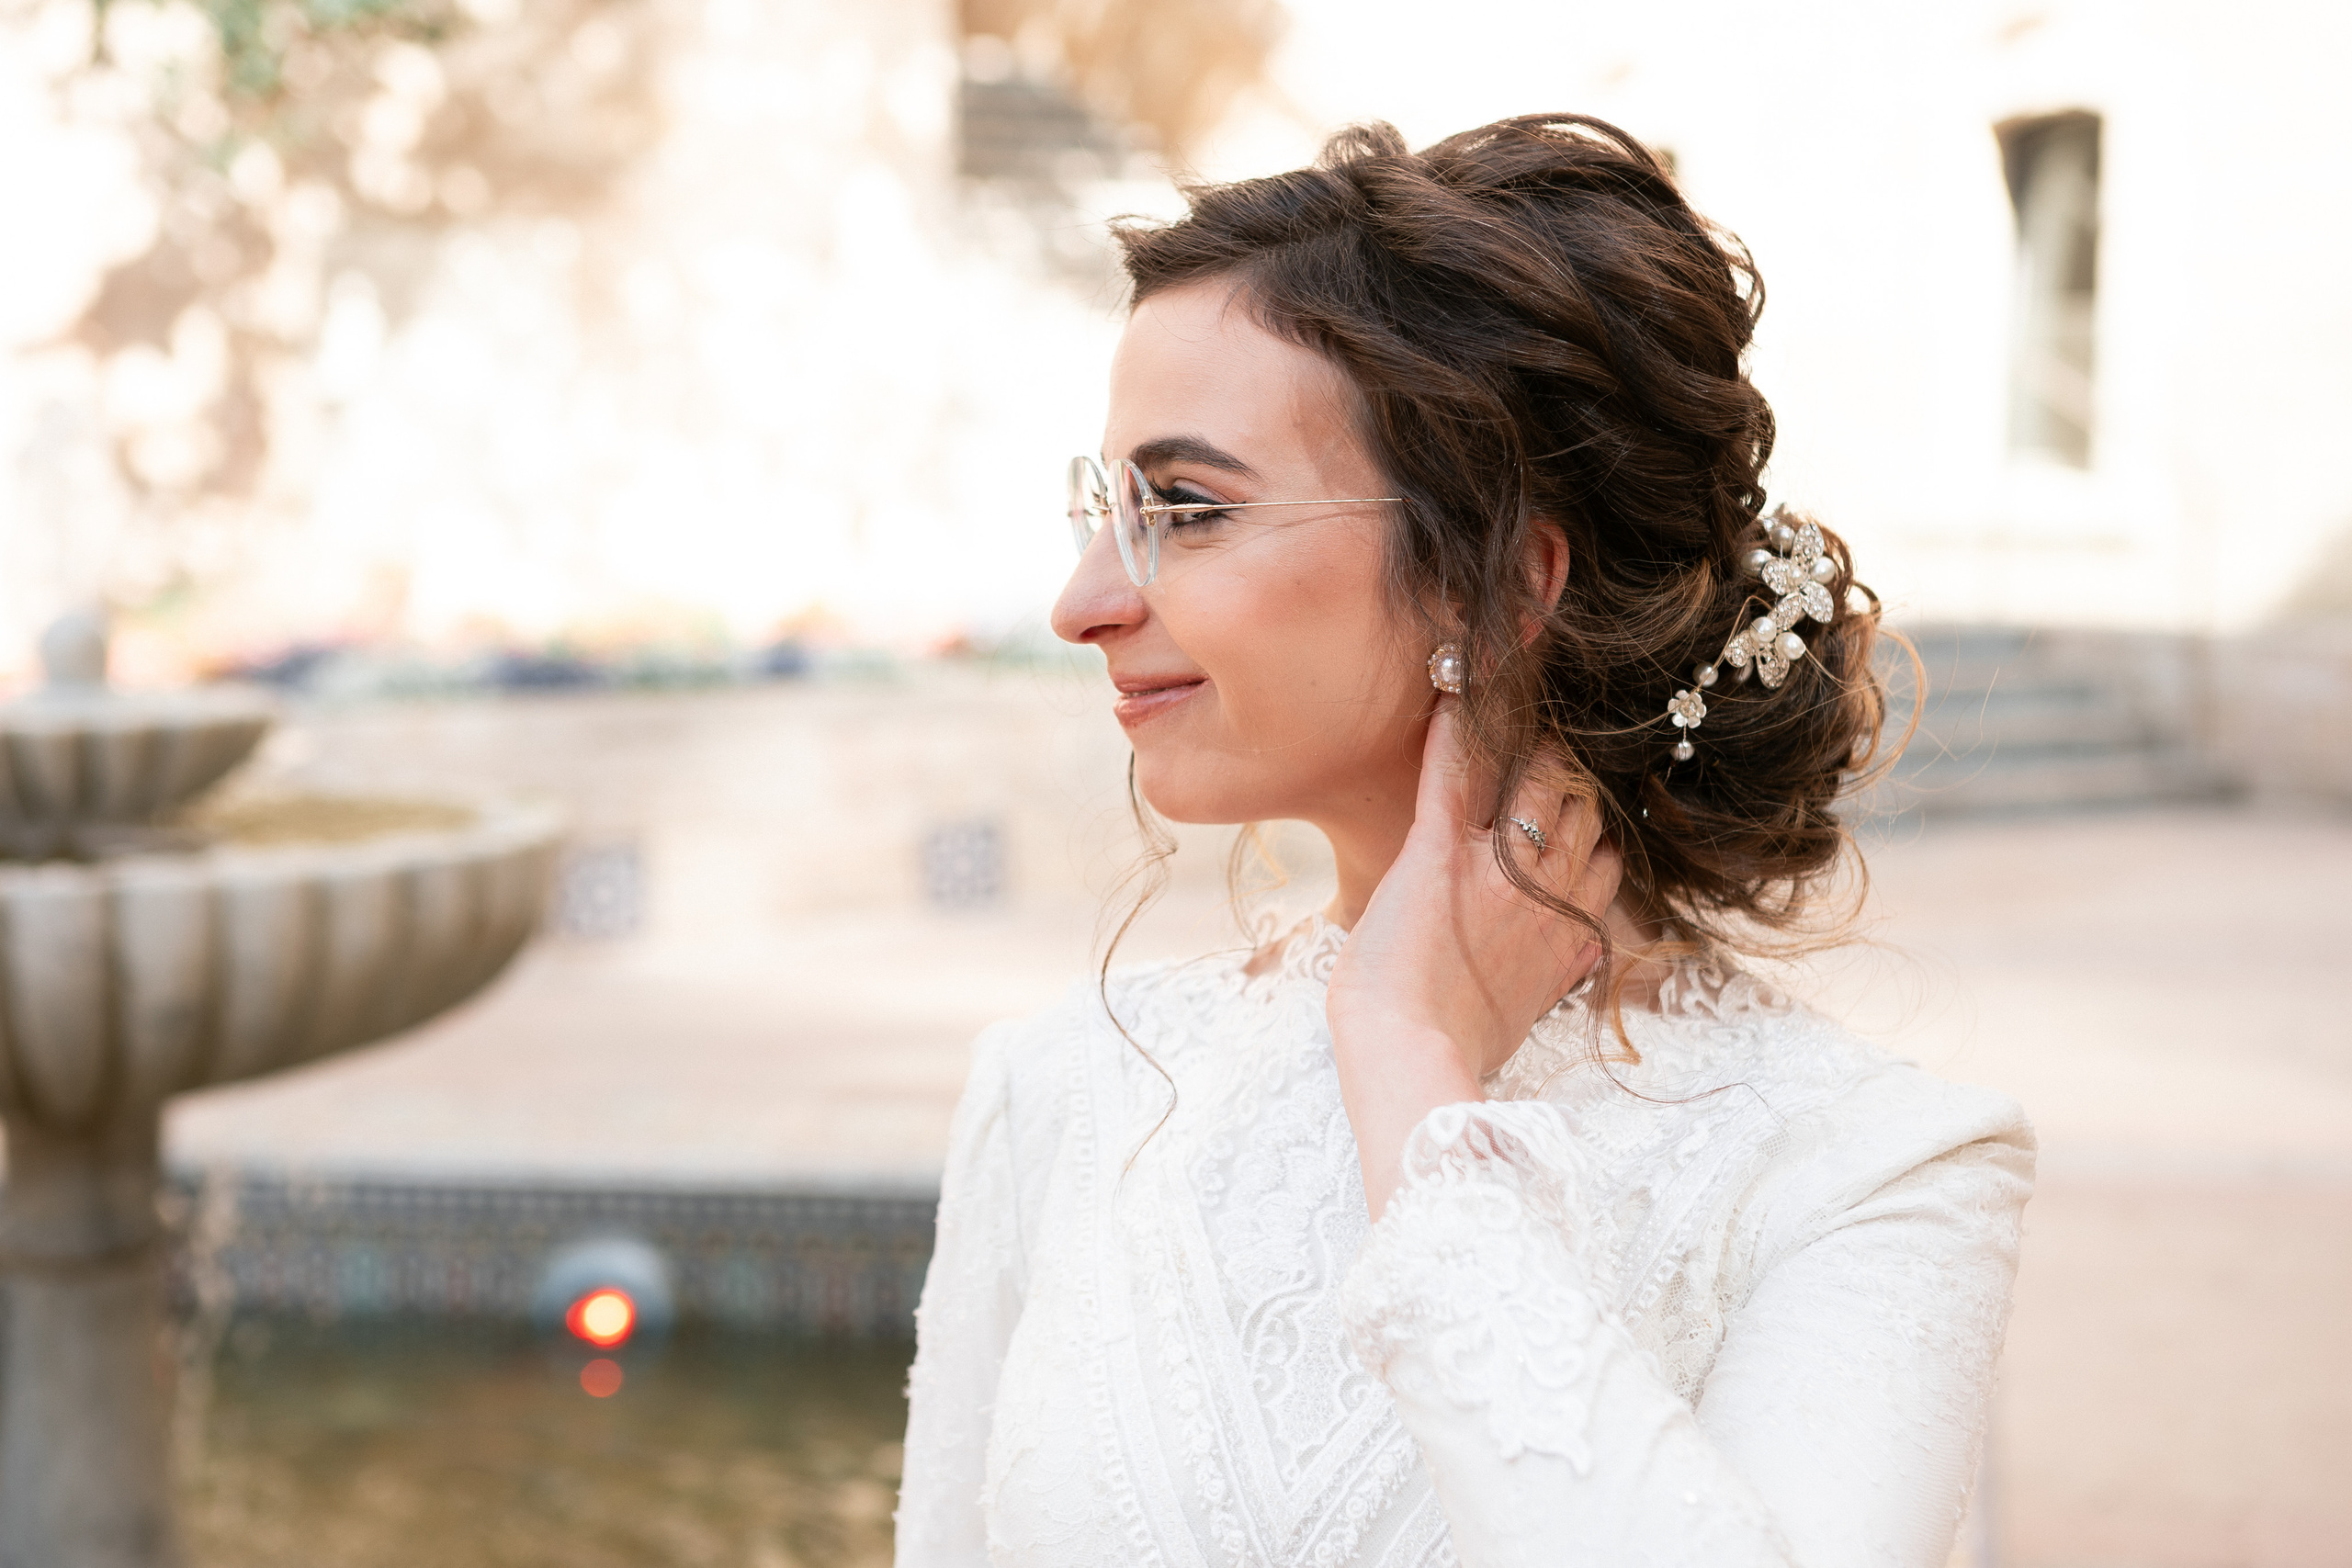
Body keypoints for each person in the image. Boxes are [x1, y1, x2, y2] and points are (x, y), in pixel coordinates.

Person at [894, 114, 2033, 1568]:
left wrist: (1416, 1083)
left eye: (1185, 507)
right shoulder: (1057, 1093)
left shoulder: (1871, 1169)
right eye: (1105, 506)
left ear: (1502, 583)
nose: (1082, 600)